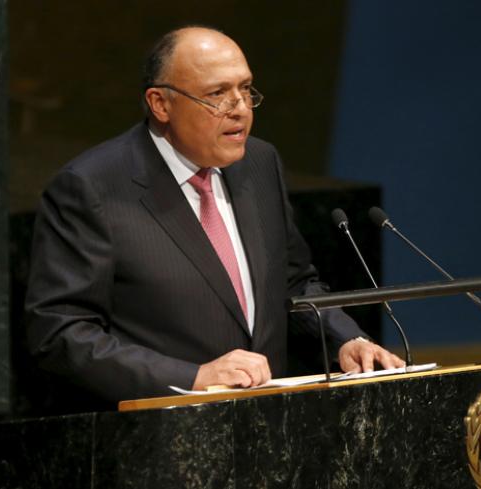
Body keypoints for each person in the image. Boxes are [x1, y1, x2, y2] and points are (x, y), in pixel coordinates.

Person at [25, 26, 403, 404]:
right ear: (160, 104)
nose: (239, 107)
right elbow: (61, 332)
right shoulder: (92, 187)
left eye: (245, 88)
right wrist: (194, 377)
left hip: (272, 428)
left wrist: (345, 338)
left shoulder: (259, 162)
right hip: (159, 435)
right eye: (217, 94)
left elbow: (293, 282)